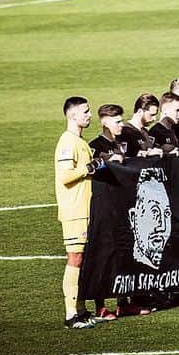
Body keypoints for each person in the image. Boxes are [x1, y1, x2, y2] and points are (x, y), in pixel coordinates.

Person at [55, 96, 121, 329]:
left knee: (83, 259)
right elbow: (65, 176)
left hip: (85, 207)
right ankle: (71, 314)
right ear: (72, 115)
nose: (89, 115)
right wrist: (92, 166)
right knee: (75, 258)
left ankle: (81, 311)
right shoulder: (67, 142)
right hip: (74, 210)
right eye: (85, 112)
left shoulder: (79, 141)